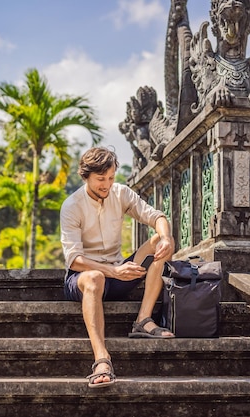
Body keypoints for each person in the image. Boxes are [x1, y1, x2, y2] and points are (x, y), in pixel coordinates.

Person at [60, 147, 175, 388]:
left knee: (160, 242)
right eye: (101, 179)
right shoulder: (72, 206)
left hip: (118, 273)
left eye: (111, 178)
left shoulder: (120, 193)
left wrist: (165, 237)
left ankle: (143, 320)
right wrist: (112, 271)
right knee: (93, 278)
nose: (107, 184)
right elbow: (73, 259)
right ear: (86, 176)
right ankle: (102, 359)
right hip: (83, 279)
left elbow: (157, 217)